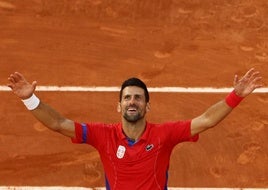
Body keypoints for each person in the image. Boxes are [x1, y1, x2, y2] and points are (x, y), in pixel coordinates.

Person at [7, 68, 263, 190]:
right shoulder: (102, 135)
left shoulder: (165, 135)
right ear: (118, 106)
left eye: (138, 98)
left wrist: (236, 96)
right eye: (127, 98)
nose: (132, 102)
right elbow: (58, 124)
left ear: (147, 106)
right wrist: (29, 99)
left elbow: (206, 120)